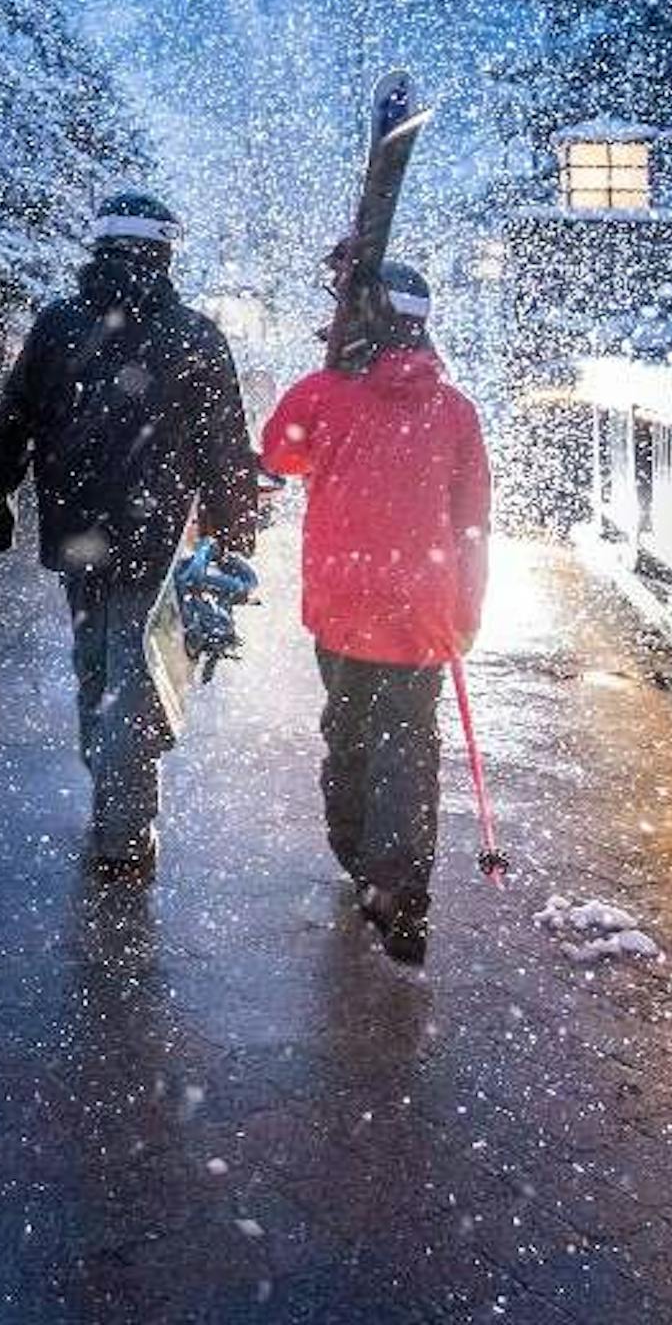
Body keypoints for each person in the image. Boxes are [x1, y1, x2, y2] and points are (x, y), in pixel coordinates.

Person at [0, 189, 260, 879]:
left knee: (95, 665)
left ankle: (110, 787)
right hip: (154, 531)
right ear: (164, 253)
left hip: (75, 526)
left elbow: (15, 418)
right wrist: (235, 531)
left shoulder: (58, 325)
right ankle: (124, 832)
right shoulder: (195, 335)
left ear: (97, 247)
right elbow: (225, 447)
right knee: (138, 675)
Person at [260, 258, 491, 964]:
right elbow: (473, 520)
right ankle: (400, 886)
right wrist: (468, 610)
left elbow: (278, 456)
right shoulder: (455, 413)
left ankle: (357, 851)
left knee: (349, 728)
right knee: (410, 746)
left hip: (340, 601)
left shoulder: (324, 394)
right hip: (422, 605)